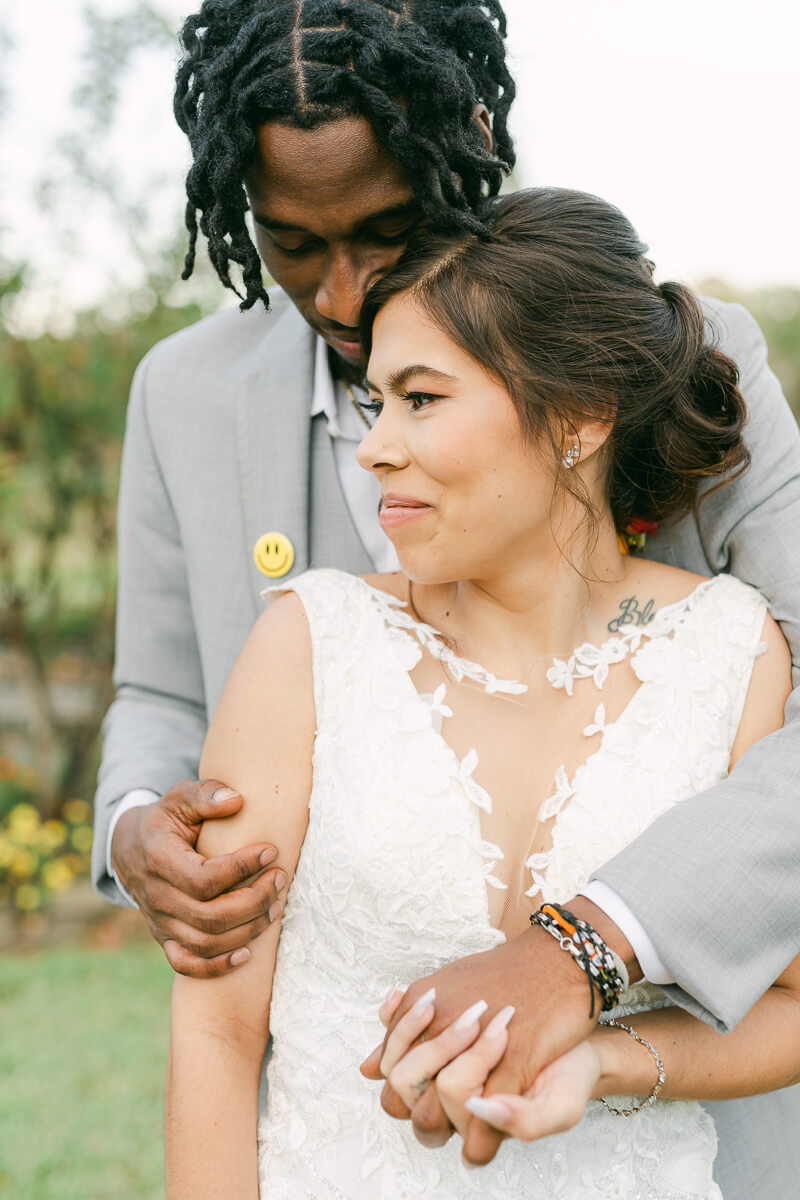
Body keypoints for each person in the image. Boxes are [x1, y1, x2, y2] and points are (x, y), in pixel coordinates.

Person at [92, 1, 800, 1194]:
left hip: (672, 1121)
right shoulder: (185, 397)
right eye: (291, 243)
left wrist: (592, 947)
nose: (344, 289)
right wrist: (132, 824)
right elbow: (159, 687)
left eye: (383, 227)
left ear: (461, 154)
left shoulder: (656, 362)